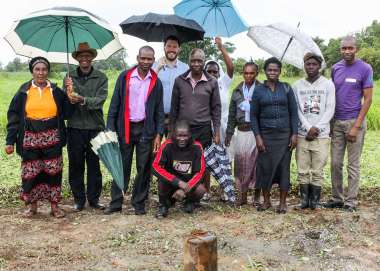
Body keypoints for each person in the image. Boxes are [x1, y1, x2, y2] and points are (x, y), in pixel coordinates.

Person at [5, 57, 73, 218]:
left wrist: (70, 95)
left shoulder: (56, 91)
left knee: (54, 171)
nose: (41, 72)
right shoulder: (23, 91)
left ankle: (54, 206)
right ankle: (32, 206)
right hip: (30, 137)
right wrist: (10, 141)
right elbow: (14, 117)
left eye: (44, 69)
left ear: (48, 71)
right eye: (37, 69)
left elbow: (68, 114)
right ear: (32, 71)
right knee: (30, 172)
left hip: (52, 137)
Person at [104, 46, 164, 215]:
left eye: (149, 59)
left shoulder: (156, 82)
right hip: (126, 128)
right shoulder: (125, 77)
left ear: (153, 60)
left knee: (143, 168)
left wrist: (159, 134)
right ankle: (116, 202)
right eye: (143, 58)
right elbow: (115, 103)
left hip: (146, 130)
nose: (146, 62)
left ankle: (138, 203)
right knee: (121, 166)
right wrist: (111, 129)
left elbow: (159, 110)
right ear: (138, 58)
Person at [325, 36, 373, 212]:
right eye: (344, 48)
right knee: (335, 163)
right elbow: (332, 96)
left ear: (356, 49)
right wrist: (330, 123)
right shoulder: (335, 68)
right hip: (337, 122)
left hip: (355, 121)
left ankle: (351, 201)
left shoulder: (365, 68)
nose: (347, 51)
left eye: (350, 48)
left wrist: (356, 126)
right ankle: (337, 197)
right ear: (340, 50)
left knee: (353, 165)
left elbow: (368, 99)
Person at [170, 48, 221, 200]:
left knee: (200, 164)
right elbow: (174, 108)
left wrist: (217, 131)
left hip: (204, 129)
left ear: (204, 62)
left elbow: (216, 108)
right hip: (183, 129)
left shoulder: (212, 82)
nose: (196, 64)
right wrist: (171, 130)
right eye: (193, 61)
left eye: (199, 61)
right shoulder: (180, 80)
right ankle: (180, 191)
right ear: (189, 62)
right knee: (181, 161)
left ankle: (194, 197)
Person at [64, 42, 108, 211]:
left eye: (87, 56)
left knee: (94, 165)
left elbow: (99, 101)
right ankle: (79, 200)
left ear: (91, 58)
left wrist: (82, 99)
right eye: (81, 56)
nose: (84, 58)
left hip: (95, 127)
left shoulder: (101, 77)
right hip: (74, 127)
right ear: (77, 59)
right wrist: (68, 92)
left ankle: (94, 199)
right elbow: (65, 103)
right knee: (75, 165)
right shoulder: (69, 77)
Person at [251, 57, 298, 214]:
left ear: (280, 71)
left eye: (275, 70)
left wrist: (294, 134)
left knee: (284, 168)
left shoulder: (286, 88)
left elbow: (293, 112)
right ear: (265, 71)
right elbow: (253, 116)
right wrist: (258, 137)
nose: (273, 72)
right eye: (270, 70)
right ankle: (267, 201)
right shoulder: (258, 90)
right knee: (265, 168)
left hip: (284, 136)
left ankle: (283, 202)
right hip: (266, 136)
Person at [292, 53, 335, 210]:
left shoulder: (328, 84)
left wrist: (317, 128)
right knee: (303, 169)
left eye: (314, 64)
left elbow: (330, 108)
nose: (310, 67)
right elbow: (296, 109)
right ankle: (304, 201)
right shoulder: (297, 86)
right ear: (304, 65)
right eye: (308, 64)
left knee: (317, 169)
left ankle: (315, 202)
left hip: (321, 135)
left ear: (320, 66)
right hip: (303, 134)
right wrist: (308, 128)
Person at [152, 120, 206, 218]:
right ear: (174, 135)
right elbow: (155, 166)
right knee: (161, 181)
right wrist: (177, 182)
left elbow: (200, 172)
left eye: (185, 136)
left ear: (190, 135)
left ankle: (190, 202)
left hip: (188, 184)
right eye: (179, 136)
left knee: (201, 190)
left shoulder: (197, 147)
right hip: (172, 182)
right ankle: (164, 204)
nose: (182, 139)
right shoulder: (167, 145)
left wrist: (186, 188)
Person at [225, 62, 260, 206]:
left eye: (252, 73)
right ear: (242, 73)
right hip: (241, 130)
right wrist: (229, 133)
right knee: (241, 164)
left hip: (256, 132)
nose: (248, 76)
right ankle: (242, 195)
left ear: (256, 74)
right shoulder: (237, 91)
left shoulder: (261, 89)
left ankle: (257, 197)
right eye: (246, 73)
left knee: (256, 164)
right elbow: (232, 114)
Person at [153, 35, 188, 136]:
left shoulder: (185, 68)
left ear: (179, 49)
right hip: (157, 117)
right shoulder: (155, 65)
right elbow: (148, 86)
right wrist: (157, 69)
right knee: (154, 150)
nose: (171, 49)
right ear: (164, 47)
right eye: (168, 46)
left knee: (174, 149)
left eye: (174, 47)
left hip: (177, 117)